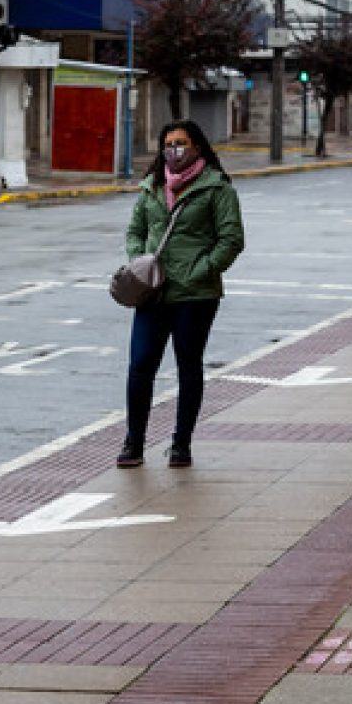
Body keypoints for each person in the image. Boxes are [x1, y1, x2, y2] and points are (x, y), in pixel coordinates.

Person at [117, 120, 245, 470]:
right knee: (141, 365)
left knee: (188, 367)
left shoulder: (216, 188)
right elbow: (135, 231)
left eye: (182, 143)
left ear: (198, 147)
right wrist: (139, 262)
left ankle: (181, 444)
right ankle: (134, 442)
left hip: (196, 295)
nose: (175, 149)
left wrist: (199, 270)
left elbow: (231, 240)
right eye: (169, 142)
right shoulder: (151, 187)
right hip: (152, 293)